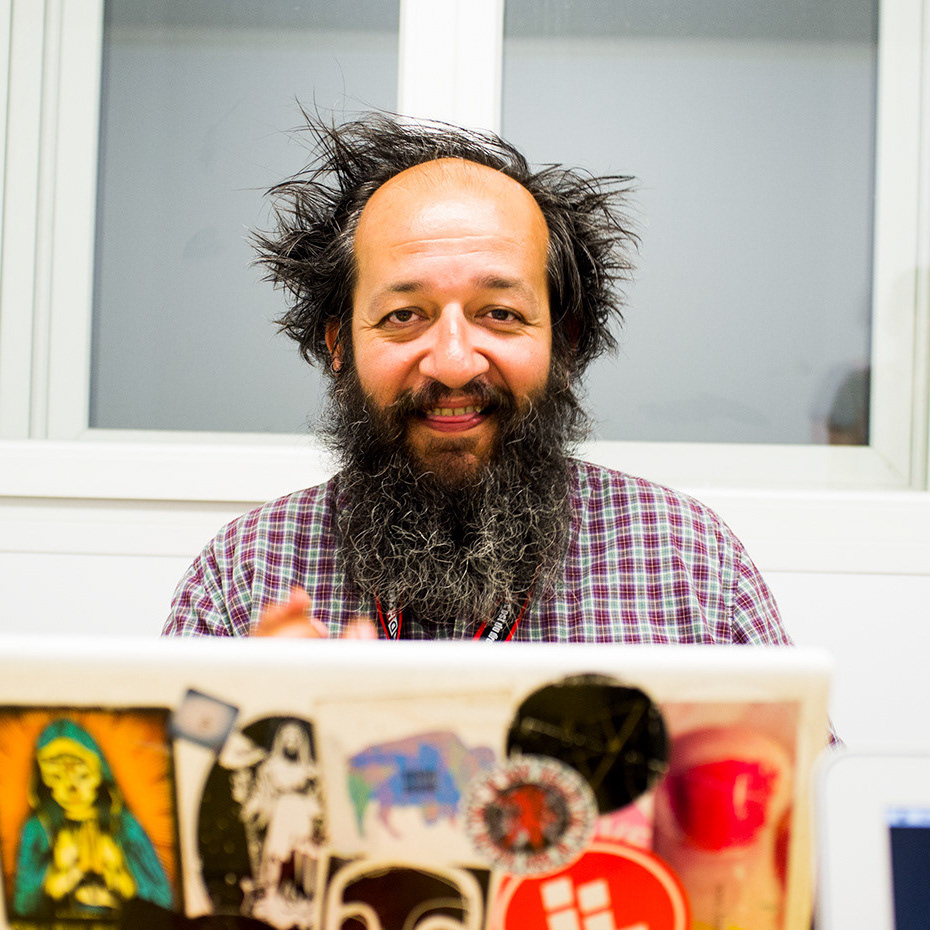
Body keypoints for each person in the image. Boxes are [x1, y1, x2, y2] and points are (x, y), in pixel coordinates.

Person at [164, 112, 790, 647]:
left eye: (500, 313)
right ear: (339, 346)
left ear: (565, 343)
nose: (455, 362)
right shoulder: (244, 578)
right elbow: (152, 758)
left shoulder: (689, 565)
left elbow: (804, 761)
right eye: (404, 316)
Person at [13, 719, 173, 920]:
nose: (71, 789)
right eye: (56, 776)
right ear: (43, 779)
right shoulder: (38, 828)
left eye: (82, 775)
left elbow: (162, 901)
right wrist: (62, 874)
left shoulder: (124, 824)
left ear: (99, 773)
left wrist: (117, 871)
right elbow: (23, 908)